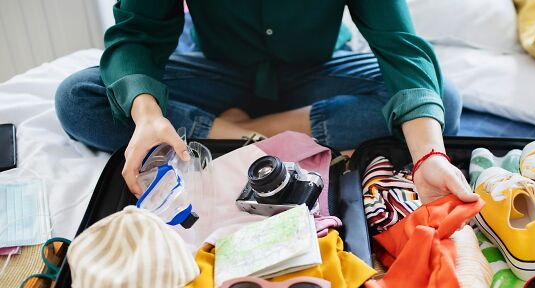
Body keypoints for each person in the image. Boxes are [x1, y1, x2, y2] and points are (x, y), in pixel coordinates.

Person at [55, 1, 479, 204]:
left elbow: (400, 46)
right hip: (216, 70)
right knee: (79, 98)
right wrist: (147, 114)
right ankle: (243, 129)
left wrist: (429, 159)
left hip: (316, 70)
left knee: (443, 101)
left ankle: (243, 127)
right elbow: (136, 34)